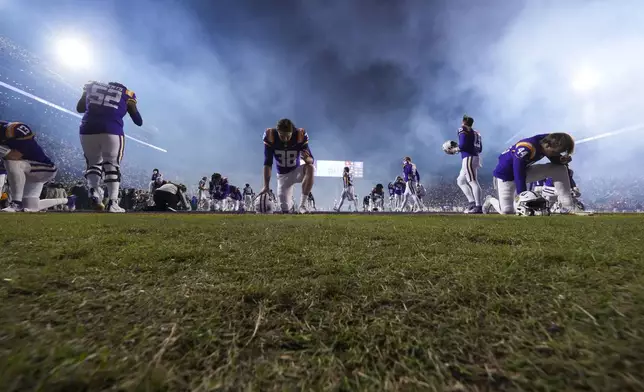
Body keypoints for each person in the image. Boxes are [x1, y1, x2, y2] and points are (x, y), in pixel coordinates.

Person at [76, 81, 143, 212]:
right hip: (112, 129)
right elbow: (138, 121)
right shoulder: (127, 93)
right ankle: (113, 202)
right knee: (112, 166)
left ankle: (94, 190)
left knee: (93, 163)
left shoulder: (91, 86)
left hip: (87, 128)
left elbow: (80, 108)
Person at [485, 133, 576, 214]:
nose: (556, 155)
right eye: (555, 152)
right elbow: (518, 172)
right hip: (506, 177)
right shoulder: (526, 147)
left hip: (524, 172)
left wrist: (561, 161)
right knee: (507, 211)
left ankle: (567, 205)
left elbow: (554, 159)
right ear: (547, 145)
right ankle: (490, 200)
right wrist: (523, 195)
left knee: (560, 169)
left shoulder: (549, 140)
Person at [0, 121, 74, 212]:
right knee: (31, 207)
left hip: (45, 168)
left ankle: (16, 203)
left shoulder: (13, 129)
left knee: (12, 162)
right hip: (28, 171)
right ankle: (68, 200)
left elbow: (15, 156)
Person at [258, 118, 314, 213]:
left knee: (310, 167)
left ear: (292, 132)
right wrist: (266, 186)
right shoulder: (270, 135)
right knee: (285, 208)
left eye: (288, 136)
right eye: (282, 136)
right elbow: (268, 162)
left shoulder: (299, 135)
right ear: (277, 132)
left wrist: (306, 159)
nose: (285, 139)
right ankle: (291, 207)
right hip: (283, 176)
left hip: (297, 171)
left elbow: (311, 160)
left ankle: (302, 205)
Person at [455, 115, 483, 213]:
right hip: (474, 156)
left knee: (472, 181)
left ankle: (478, 206)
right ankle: (472, 203)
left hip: (468, 157)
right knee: (460, 181)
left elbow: (462, 145)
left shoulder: (462, 129)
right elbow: (480, 148)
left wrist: (456, 149)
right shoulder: (476, 133)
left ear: (463, 122)